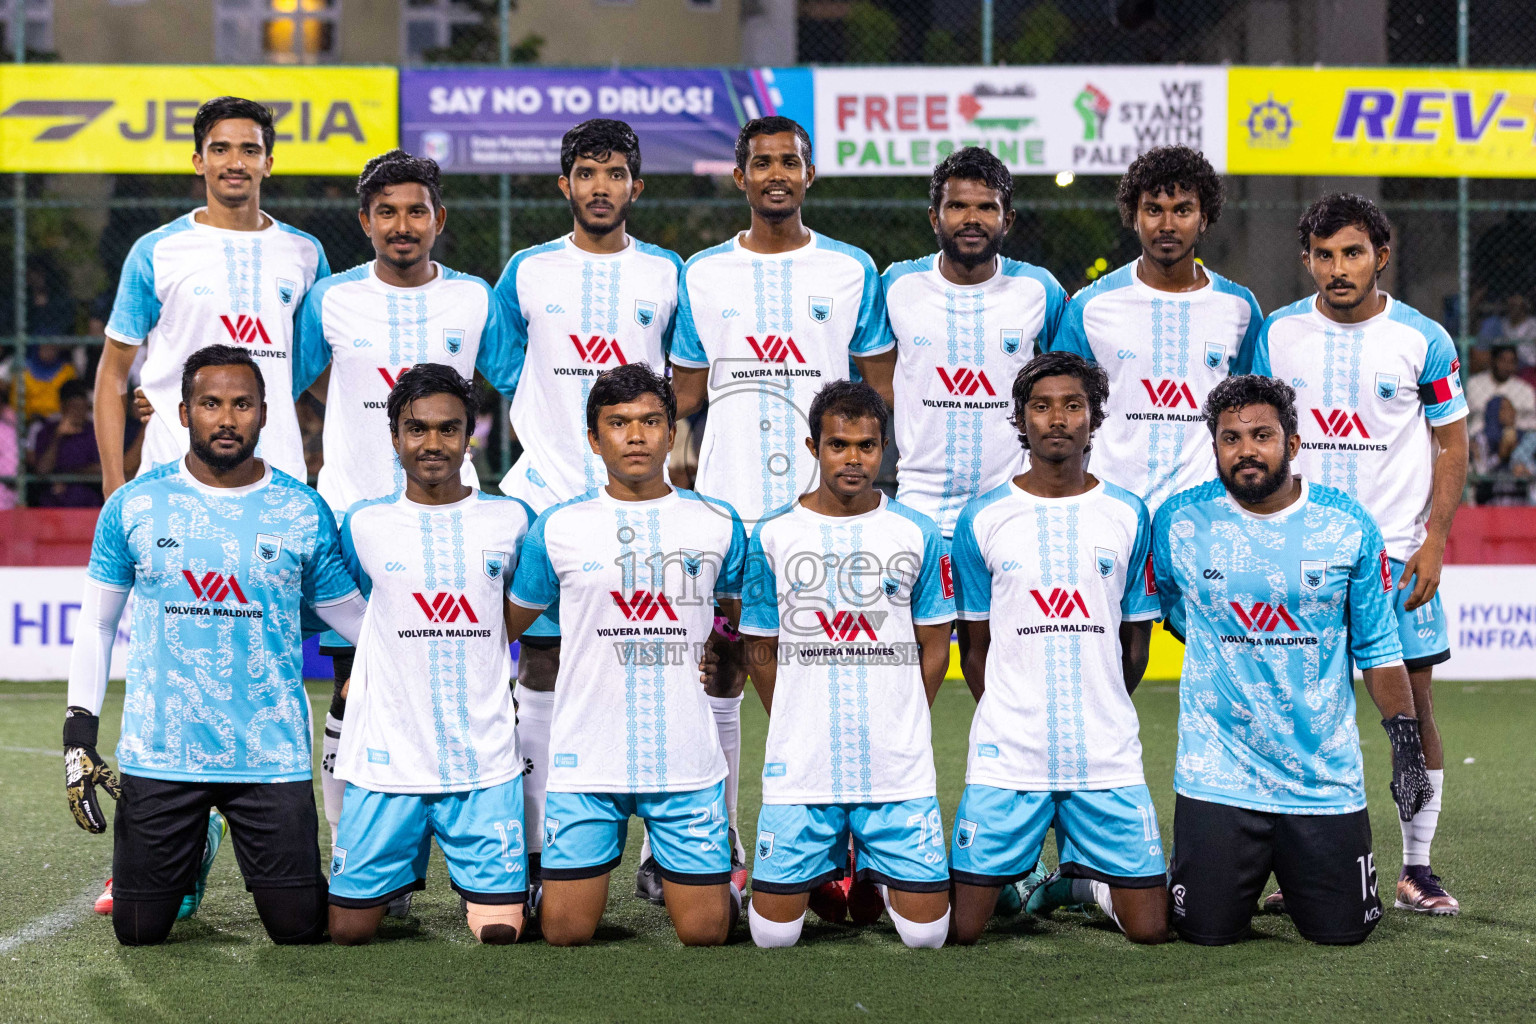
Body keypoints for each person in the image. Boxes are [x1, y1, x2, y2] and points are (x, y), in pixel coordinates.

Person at [61, 345, 366, 946]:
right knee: (139, 932)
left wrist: (447, 643)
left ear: (265, 413)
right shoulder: (134, 505)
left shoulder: (301, 510)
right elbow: (96, 625)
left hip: (268, 753)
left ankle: (224, 832)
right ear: (183, 413)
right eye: (211, 404)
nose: (227, 419)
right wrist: (78, 735)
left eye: (242, 404)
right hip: (162, 753)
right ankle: (201, 836)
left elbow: (357, 621)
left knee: (299, 930)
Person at [670, 116, 894, 897]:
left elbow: (876, 392)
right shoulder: (700, 273)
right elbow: (685, 394)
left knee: (838, 666)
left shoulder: (852, 269)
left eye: (789, 161)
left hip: (827, 515)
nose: (776, 173)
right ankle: (709, 846)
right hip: (730, 510)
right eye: (761, 161)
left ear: (809, 174)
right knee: (722, 668)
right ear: (739, 176)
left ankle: (847, 848)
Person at [289, 148, 521, 861]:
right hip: (352, 526)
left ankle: (490, 846)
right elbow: (286, 382)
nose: (401, 224)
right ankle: (349, 852)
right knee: (353, 685)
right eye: (386, 211)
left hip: (456, 525)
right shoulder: (331, 299)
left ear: (438, 219)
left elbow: (520, 381)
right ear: (365, 221)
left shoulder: (475, 298)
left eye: (415, 210)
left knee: (462, 680)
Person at [1241, 193, 1469, 915]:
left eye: (1352, 253)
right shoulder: (1277, 336)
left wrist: (1434, 540)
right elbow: (1254, 431)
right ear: (1305, 257)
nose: (1337, 269)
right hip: (1297, 559)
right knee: (1291, 714)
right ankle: (1300, 868)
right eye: (1323, 255)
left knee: (1413, 712)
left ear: (1382, 254)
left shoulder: (1423, 338)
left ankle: (1418, 868)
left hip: (1393, 562)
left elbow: (1452, 443)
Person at [1152, 374, 1433, 945]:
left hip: (1322, 779)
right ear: (1214, 448)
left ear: (1294, 443)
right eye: (1230, 438)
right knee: (1202, 931)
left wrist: (1406, 746)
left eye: (1261, 435)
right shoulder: (1178, 522)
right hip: (1217, 775)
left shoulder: (1346, 524)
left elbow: (1378, 649)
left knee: (1343, 934)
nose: (1246, 451)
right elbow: (1176, 610)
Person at [491, 120, 684, 899]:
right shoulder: (527, 270)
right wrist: (546, 438)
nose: (600, 186)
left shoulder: (668, 272)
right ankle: (538, 854)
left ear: (635, 186)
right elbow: (505, 363)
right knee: (541, 660)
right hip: (545, 501)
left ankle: (660, 852)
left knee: (655, 660)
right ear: (563, 184)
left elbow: (686, 376)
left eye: (615, 173)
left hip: (642, 505)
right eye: (586, 172)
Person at [504, 362, 744, 947]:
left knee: (706, 934)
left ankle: (727, 881)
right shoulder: (556, 528)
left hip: (684, 761)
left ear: (671, 432)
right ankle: (540, 884)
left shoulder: (718, 522)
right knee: (563, 933)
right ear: (594, 438)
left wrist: (719, 654)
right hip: (588, 761)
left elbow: (737, 626)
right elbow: (503, 629)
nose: (635, 435)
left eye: (650, 421)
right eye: (618, 423)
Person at [946, 352, 1166, 945]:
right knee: (961, 930)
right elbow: (974, 649)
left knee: (1151, 930)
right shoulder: (982, 518)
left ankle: (1074, 884)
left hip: (1105, 750)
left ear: (1094, 419)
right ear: (1021, 419)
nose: (1058, 419)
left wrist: (1100, 704)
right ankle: (1022, 878)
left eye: (1074, 405)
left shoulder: (1127, 514)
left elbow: (1135, 643)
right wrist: (1011, 712)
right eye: (1042, 407)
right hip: (1009, 751)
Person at [738, 380, 954, 949]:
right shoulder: (773, 535)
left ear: (885, 448)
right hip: (801, 765)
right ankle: (816, 873)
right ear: (813, 447)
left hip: (896, 767)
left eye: (866, 445)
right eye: (838, 445)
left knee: (927, 936)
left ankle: (872, 874)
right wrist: (790, 713)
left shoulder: (917, 532)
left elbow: (935, 643)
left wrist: (907, 712)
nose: (852, 458)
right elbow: (760, 645)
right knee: (771, 938)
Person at [327, 365, 533, 945]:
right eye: (416, 429)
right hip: (387, 761)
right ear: (394, 436)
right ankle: (394, 873)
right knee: (346, 932)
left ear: (470, 434)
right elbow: (357, 613)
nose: (433, 444)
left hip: (483, 763)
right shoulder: (363, 524)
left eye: (449, 429)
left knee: (500, 931)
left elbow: (519, 611)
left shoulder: (512, 520)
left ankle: (494, 885)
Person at [94, 96, 329, 498]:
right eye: (220, 149)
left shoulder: (305, 253)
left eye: (250, 150)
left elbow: (324, 371)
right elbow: (112, 373)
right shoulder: (156, 251)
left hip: (277, 472)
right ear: (199, 161)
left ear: (268, 163)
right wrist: (114, 484)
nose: (235, 162)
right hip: (171, 474)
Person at [1050, 145, 1261, 515]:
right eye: (1153, 210)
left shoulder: (1240, 308)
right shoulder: (1090, 307)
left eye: (1182, 210)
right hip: (1110, 511)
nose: (1167, 225)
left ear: (1205, 218)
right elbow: (1060, 413)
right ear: (1134, 216)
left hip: (1208, 513)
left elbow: (1254, 417)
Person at [884, 146, 1067, 538]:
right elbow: (875, 380)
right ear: (935, 217)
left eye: (986, 207)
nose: (971, 219)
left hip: (1011, 509)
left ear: (1008, 219)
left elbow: (1070, 382)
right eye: (957, 206)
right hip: (919, 508)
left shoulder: (1038, 289)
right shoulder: (897, 285)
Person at [29, 378, 102, 507]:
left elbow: (101, 468)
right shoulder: (46, 431)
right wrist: (58, 436)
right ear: (63, 407)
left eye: (83, 407)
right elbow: (42, 470)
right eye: (74, 407)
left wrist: (67, 477)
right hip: (52, 507)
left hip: (88, 505)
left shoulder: (95, 432)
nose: (79, 412)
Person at [14, 342, 78, 424]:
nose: (49, 352)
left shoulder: (68, 371)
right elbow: (17, 402)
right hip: (30, 422)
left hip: (61, 421)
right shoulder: (23, 372)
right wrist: (30, 417)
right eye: (45, 349)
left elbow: (73, 399)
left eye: (53, 349)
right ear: (37, 349)